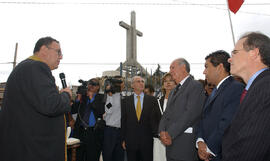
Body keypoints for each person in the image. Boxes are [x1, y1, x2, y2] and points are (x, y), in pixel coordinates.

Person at [0, 37, 72, 161]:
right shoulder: (37, 67)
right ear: (44, 49)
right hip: (33, 151)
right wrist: (66, 95)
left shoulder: (26, 68)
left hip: (23, 147)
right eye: (58, 52)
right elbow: (52, 105)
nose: (61, 57)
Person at [222, 32, 270, 161]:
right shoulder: (256, 87)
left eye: (235, 53)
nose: (229, 59)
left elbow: (252, 148)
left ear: (254, 53)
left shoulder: (265, 88)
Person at [196, 50, 244, 161]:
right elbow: (203, 119)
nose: (204, 72)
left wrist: (208, 149)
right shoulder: (214, 91)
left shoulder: (236, 88)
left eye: (207, 67)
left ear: (219, 67)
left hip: (220, 154)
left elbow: (227, 124)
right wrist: (200, 141)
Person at [159, 58, 206, 161]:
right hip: (170, 144)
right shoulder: (173, 91)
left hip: (184, 145)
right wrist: (162, 131)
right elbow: (166, 114)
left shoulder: (195, 86)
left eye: (172, 67)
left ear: (183, 68)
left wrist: (169, 133)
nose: (170, 71)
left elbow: (190, 114)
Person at [121, 76, 159, 161]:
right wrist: (123, 139)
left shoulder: (152, 100)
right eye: (138, 81)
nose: (141, 83)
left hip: (147, 141)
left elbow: (156, 120)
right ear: (132, 85)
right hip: (131, 141)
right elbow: (123, 121)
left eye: (142, 81)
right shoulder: (125, 101)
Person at [72, 78, 105, 161]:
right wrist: (78, 99)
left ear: (98, 87)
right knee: (78, 156)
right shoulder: (83, 97)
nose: (91, 86)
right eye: (90, 84)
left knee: (92, 156)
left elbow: (101, 111)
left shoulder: (102, 97)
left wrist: (91, 99)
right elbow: (73, 110)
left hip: (94, 133)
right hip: (80, 131)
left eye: (94, 84)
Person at [153, 73, 176, 161]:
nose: (168, 83)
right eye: (165, 81)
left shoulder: (179, 101)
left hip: (174, 138)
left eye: (171, 80)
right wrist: (160, 135)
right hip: (159, 140)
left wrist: (171, 134)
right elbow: (153, 120)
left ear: (175, 83)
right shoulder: (157, 101)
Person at [102, 76, 125, 161]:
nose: (121, 84)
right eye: (119, 82)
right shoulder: (109, 95)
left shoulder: (124, 96)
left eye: (122, 82)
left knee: (119, 156)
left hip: (120, 131)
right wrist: (110, 96)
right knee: (108, 155)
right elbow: (108, 110)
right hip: (110, 131)